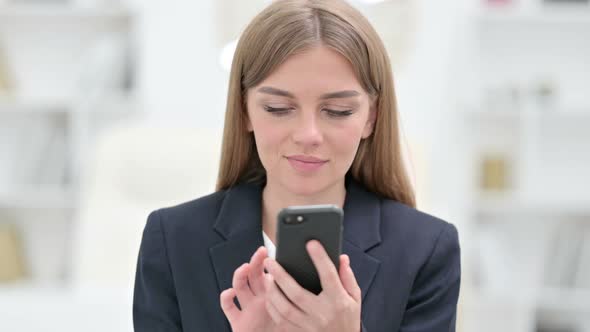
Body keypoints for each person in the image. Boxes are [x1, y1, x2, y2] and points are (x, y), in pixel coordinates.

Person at [133, 0, 461, 331]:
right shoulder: (173, 240)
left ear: (371, 117)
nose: (308, 135)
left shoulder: (426, 249)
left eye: (337, 111)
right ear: (245, 110)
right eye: (277, 108)